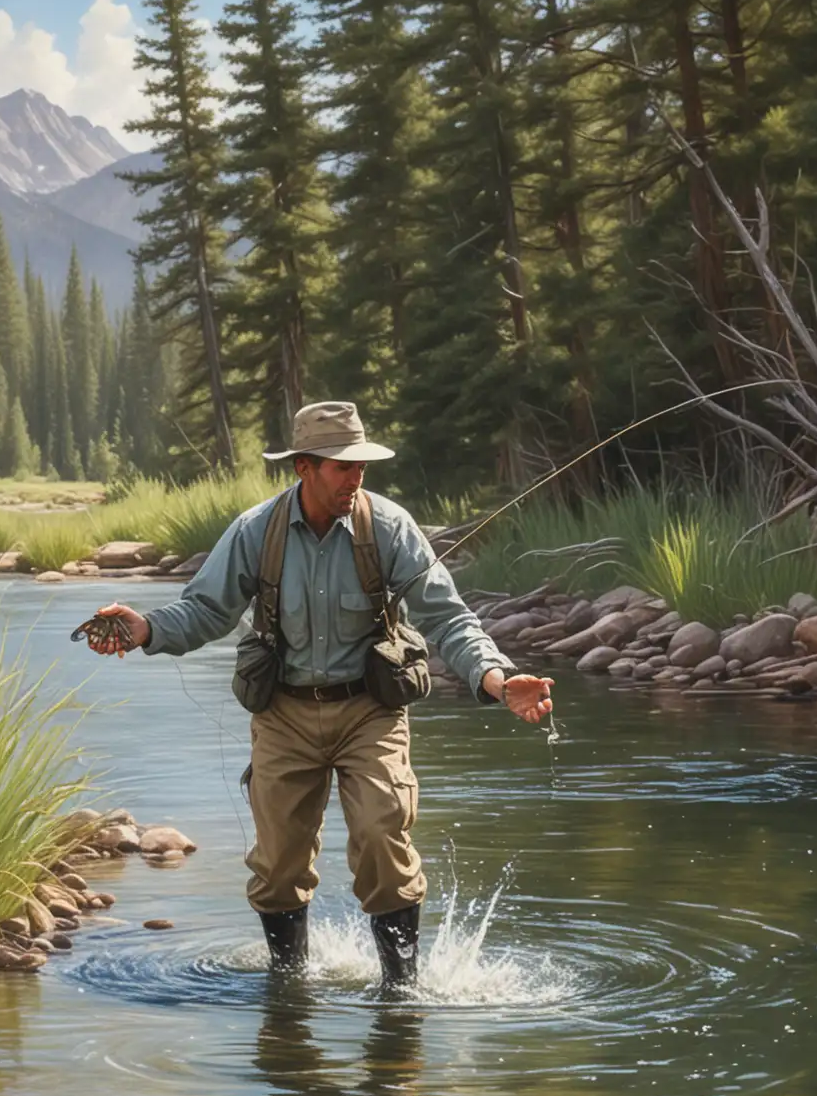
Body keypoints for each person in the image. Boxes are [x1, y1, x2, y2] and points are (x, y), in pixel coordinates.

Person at [82, 400, 553, 988]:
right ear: (304, 467)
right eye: (341, 467)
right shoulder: (256, 532)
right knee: (278, 867)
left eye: (362, 466)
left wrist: (497, 679)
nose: (356, 478)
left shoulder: (390, 528)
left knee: (384, 838)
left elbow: (449, 619)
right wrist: (145, 629)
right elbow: (205, 611)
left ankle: (400, 991)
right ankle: (289, 985)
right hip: (283, 713)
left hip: (371, 712)